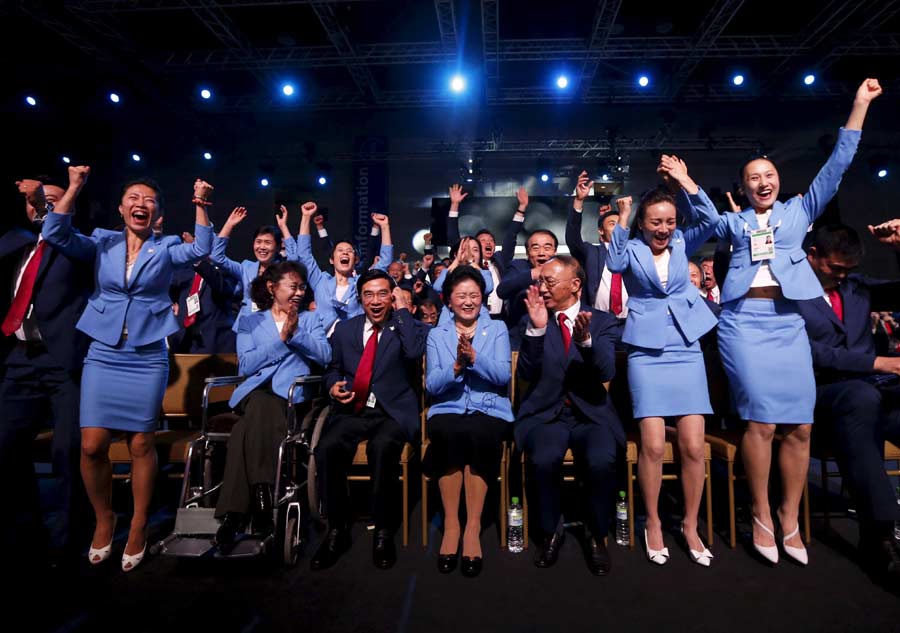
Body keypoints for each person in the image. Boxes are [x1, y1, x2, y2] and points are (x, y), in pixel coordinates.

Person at [713, 78, 882, 566]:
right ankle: (762, 511)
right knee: (761, 422)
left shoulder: (799, 211)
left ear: (777, 180)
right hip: (744, 323)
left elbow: (839, 165)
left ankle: (791, 514)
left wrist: (859, 105)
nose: (762, 182)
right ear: (742, 188)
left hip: (788, 324)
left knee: (800, 428)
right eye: (752, 178)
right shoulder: (736, 223)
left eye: (767, 174)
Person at [41, 167, 213, 572]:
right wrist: (76, 187)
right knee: (91, 445)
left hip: (147, 354)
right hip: (103, 351)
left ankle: (137, 524)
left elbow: (200, 248)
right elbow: (54, 232)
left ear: (157, 214)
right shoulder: (102, 243)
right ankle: (105, 517)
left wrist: (201, 204)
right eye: (133, 198)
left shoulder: (166, 246)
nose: (141, 203)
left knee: (139, 445)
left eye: (149, 200)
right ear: (121, 208)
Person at [605, 156, 720, 567]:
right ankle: (652, 522)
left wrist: (685, 179)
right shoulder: (631, 246)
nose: (664, 229)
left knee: (692, 446)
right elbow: (614, 263)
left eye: (670, 221)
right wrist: (621, 218)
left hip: (686, 347)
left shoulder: (684, 242)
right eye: (655, 222)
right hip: (646, 352)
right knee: (653, 446)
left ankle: (690, 525)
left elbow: (711, 219)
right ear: (642, 223)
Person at [797, 222, 900, 580]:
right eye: (835, 268)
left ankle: (879, 529)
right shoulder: (790, 294)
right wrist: (876, 361)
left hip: (871, 395)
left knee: (869, 403)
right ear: (813, 256)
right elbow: (809, 352)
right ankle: (881, 533)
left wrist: (898, 248)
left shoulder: (856, 287)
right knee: (861, 397)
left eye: (848, 271)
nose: (842, 276)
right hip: (822, 395)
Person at [0, 175, 92, 570]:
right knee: (5, 447)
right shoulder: (16, 243)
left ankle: (72, 540)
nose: (43, 206)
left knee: (67, 452)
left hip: (64, 360)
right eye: (38, 201)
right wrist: (36, 207)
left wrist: (55, 205)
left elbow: (59, 231)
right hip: (20, 358)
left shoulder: (81, 245)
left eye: (54, 201)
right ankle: (26, 533)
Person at [313, 269, 428, 570]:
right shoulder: (345, 330)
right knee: (326, 447)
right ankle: (337, 529)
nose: (375, 301)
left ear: (391, 297)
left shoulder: (407, 326)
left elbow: (415, 350)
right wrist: (332, 386)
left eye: (382, 294)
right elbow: (333, 369)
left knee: (381, 449)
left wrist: (402, 309)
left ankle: (383, 530)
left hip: (391, 412)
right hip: (353, 409)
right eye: (368, 294)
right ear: (360, 298)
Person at [515, 256, 622, 576]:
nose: (542, 288)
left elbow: (606, 369)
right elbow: (526, 372)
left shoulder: (602, 321)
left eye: (549, 282)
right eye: (540, 281)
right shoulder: (534, 318)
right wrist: (535, 330)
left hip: (590, 414)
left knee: (602, 460)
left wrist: (585, 342)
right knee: (543, 459)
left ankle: (596, 533)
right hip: (548, 413)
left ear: (575, 285)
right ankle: (550, 531)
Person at [215, 261, 330, 546]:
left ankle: (233, 514)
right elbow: (246, 365)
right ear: (272, 287)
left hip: (290, 398)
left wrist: (296, 334)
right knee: (258, 405)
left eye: (302, 286)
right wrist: (281, 340)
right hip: (255, 392)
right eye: (293, 286)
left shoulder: (312, 320)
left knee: (244, 429)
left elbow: (325, 356)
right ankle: (262, 500)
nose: (299, 292)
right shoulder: (251, 321)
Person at [425, 266, 513, 577]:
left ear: (483, 298)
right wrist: (457, 366)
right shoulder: (437, 334)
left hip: (489, 408)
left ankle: (473, 526)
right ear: (449, 300)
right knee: (448, 432)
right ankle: (452, 523)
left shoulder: (498, 329)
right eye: (461, 295)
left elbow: (503, 376)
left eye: (474, 295)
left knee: (478, 432)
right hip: (447, 408)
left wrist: (474, 358)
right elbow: (432, 386)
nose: (468, 301)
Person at [297, 201, 393, 334]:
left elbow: (385, 261)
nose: (345, 253)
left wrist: (384, 227)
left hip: (353, 346)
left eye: (349, 251)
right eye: (340, 250)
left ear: (355, 260)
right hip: (324, 345)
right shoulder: (320, 281)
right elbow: (304, 254)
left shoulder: (361, 283)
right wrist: (306, 217)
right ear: (332, 259)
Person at [210, 204, 296, 331]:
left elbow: (295, 258)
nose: (261, 247)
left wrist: (283, 227)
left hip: (274, 326)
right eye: (258, 241)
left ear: (278, 247)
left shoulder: (283, 269)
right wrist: (229, 224)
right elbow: (216, 257)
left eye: (267, 243)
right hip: (247, 326)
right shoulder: (246, 267)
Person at [446, 183, 526, 318]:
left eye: (491, 240)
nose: (488, 242)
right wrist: (454, 205)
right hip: (473, 318)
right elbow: (453, 238)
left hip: (501, 318)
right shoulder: (467, 263)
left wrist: (521, 208)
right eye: (483, 240)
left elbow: (511, 236)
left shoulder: (500, 260)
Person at [566, 173, 629, 323]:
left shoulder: (634, 252)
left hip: (631, 321)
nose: (618, 228)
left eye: (621, 223)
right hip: (598, 321)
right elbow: (573, 239)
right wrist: (579, 201)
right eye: (612, 224)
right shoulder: (592, 252)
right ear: (601, 231)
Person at [168, 232, 242, 353]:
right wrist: (171, 306)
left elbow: (221, 287)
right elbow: (167, 290)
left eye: (205, 244)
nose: (201, 247)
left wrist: (199, 259)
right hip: (183, 340)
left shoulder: (227, 270)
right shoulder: (183, 271)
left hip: (214, 344)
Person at [497, 228, 559, 349]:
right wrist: (534, 273)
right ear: (527, 252)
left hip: (554, 337)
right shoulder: (518, 266)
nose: (541, 253)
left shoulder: (562, 270)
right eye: (535, 248)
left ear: (555, 251)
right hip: (521, 338)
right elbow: (502, 290)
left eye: (547, 248)